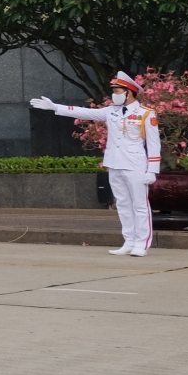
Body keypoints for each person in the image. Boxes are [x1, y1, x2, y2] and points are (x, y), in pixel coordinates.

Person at [31, 73, 161, 257]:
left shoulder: (146, 113)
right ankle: (129, 240)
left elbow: (154, 143)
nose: (114, 94)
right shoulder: (111, 111)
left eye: (117, 90)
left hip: (136, 164)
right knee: (122, 203)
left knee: (140, 205)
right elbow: (84, 112)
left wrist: (152, 170)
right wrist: (55, 107)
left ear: (129, 92)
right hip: (115, 163)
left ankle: (142, 242)